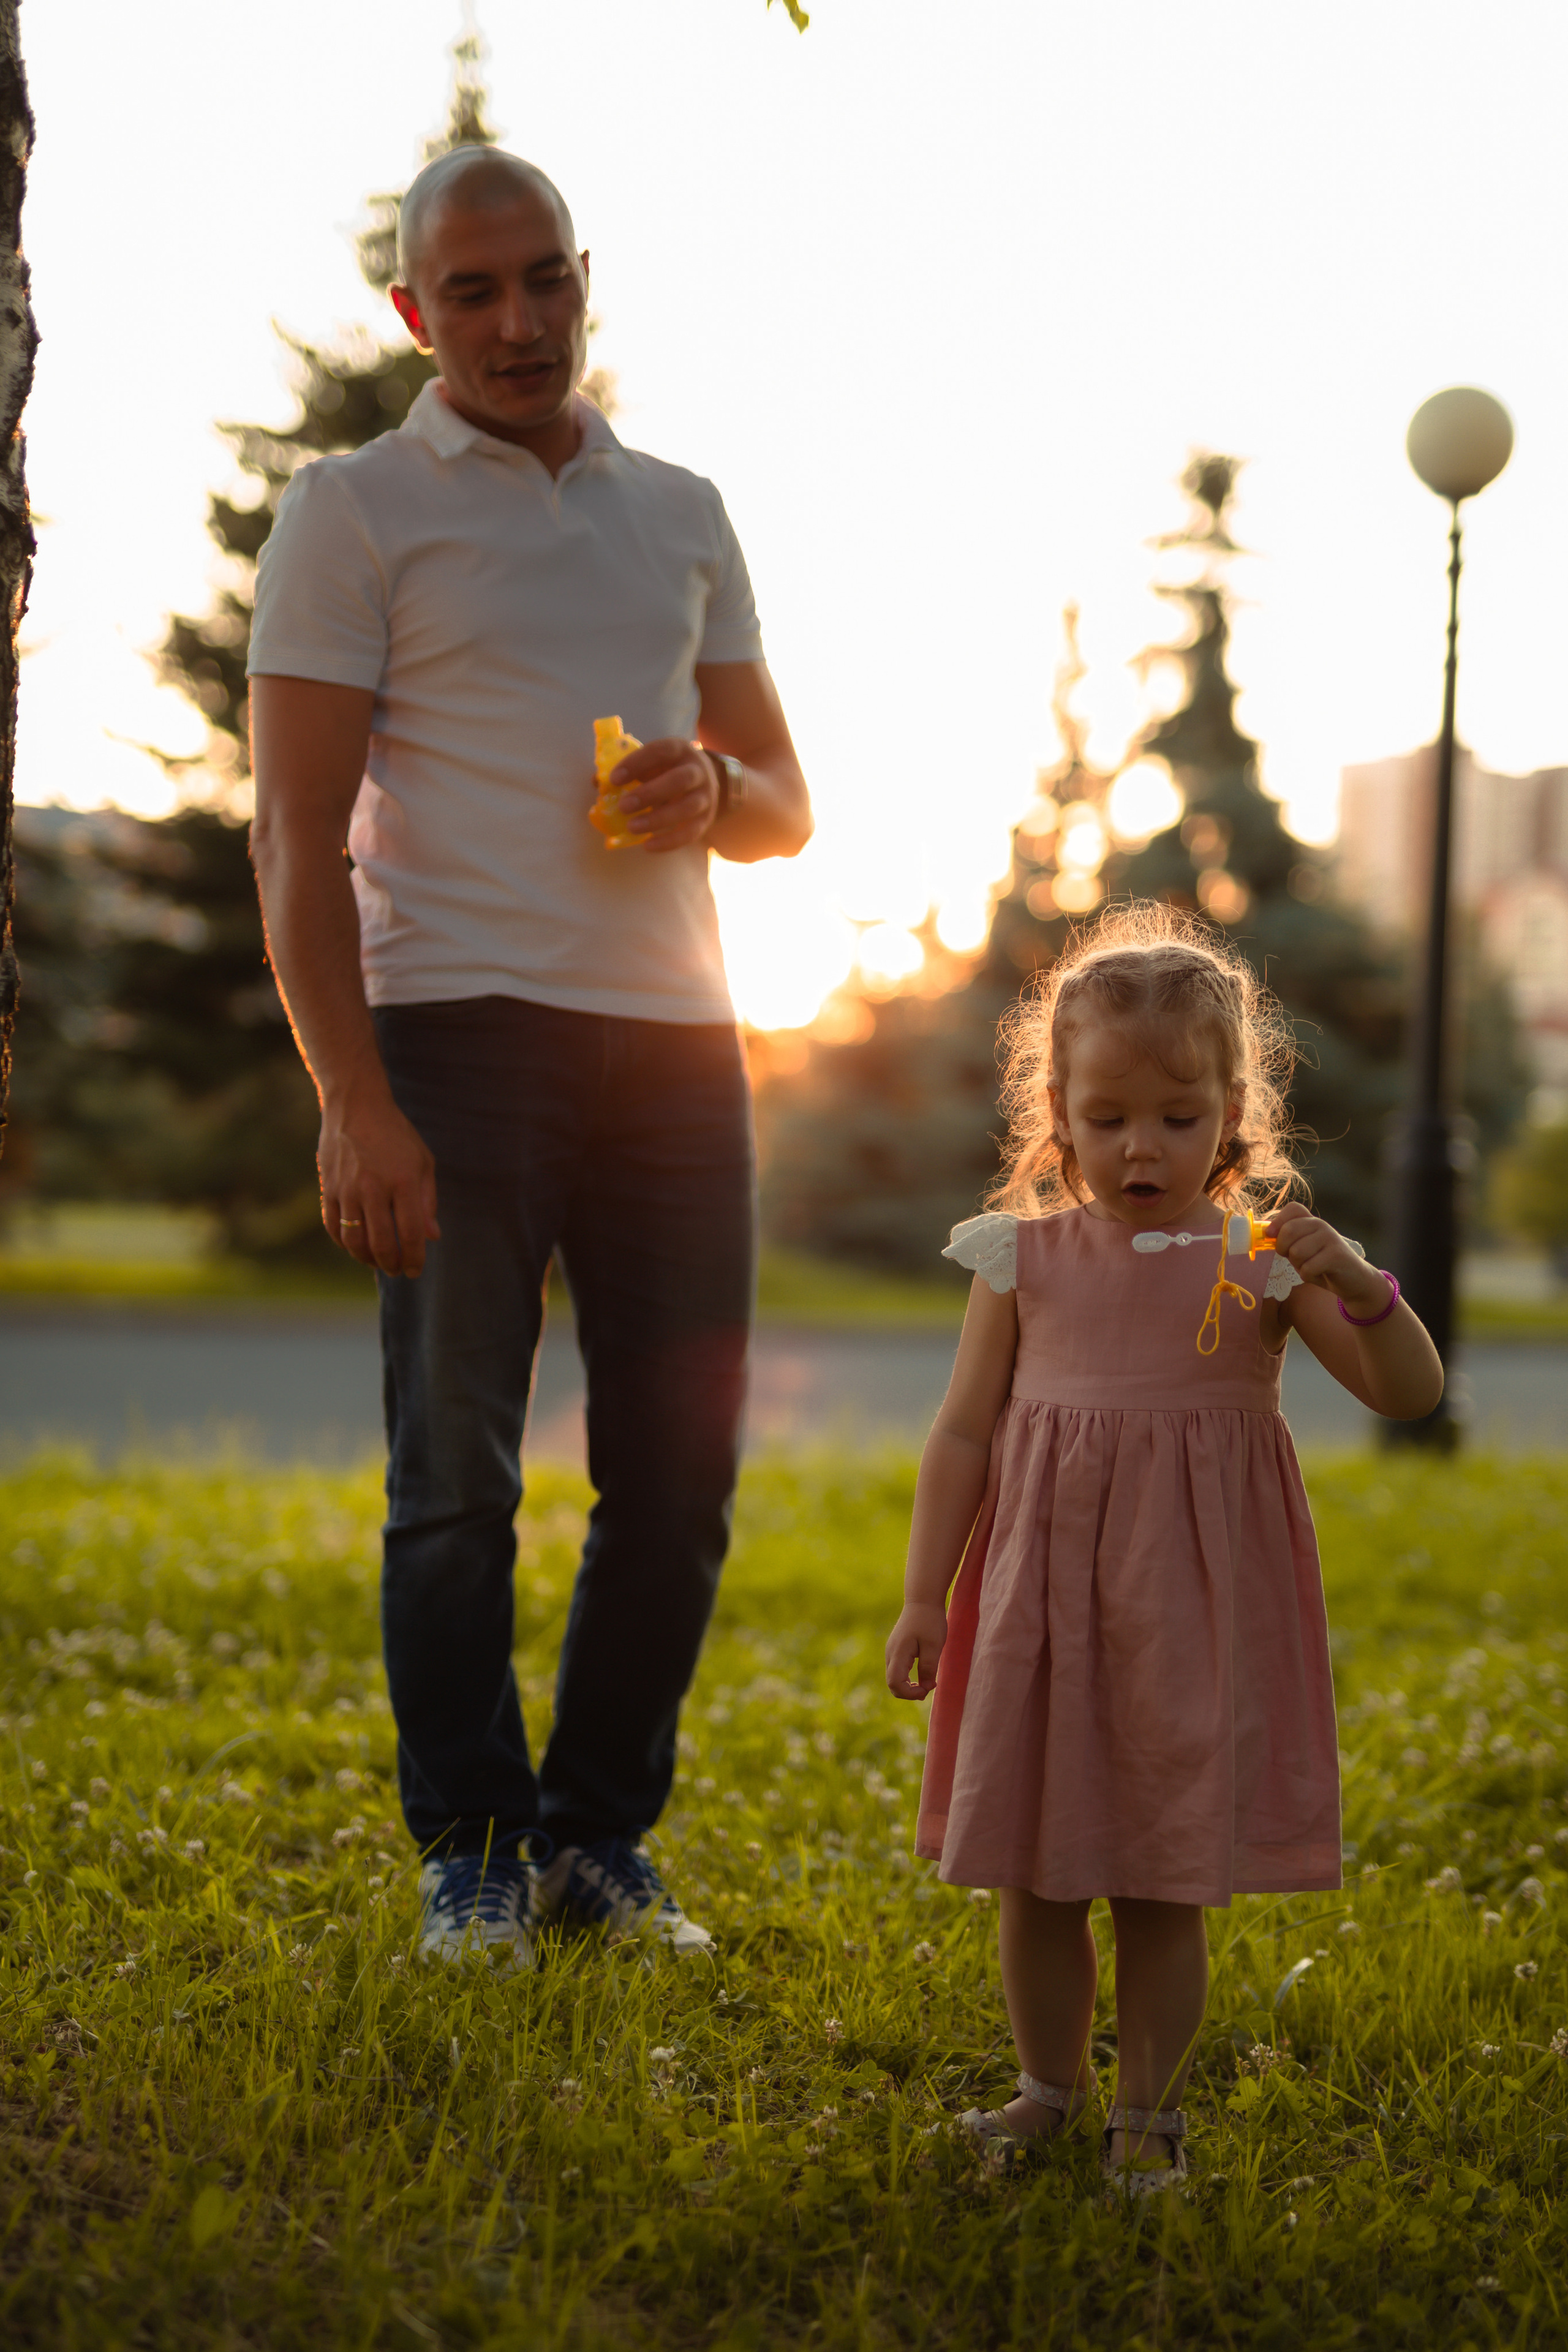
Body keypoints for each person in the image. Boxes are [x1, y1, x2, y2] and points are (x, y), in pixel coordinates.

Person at [247, 146, 812, 1968]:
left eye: (542, 279)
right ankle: (475, 1849)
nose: (516, 321)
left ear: (583, 276)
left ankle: (597, 1843)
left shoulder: (683, 513)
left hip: (678, 1049)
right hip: (454, 1035)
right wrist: (353, 1097)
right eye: (472, 292)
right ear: (414, 312)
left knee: (681, 1479)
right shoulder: (352, 512)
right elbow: (293, 835)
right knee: (457, 1481)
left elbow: (786, 805)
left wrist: (712, 787)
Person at [883, 905, 1442, 2193]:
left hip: (1189, 1617)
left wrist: (1362, 1286)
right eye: (1109, 1117)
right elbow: (961, 1435)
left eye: (1179, 1118)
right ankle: (1046, 2090)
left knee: (1159, 1879)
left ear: (1232, 1114)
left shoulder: (1259, 1262)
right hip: (1041, 1611)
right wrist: (924, 1595)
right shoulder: (1017, 1260)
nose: (1143, 1146)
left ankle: (1148, 2116)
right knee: (1035, 1874)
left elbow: (1406, 1395)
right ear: (1059, 1116)